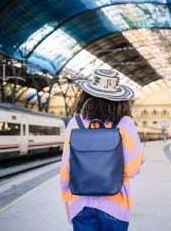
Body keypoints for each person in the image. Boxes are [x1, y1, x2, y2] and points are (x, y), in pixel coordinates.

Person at [60, 69, 145, 231]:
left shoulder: (74, 123)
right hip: (114, 204)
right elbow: (133, 169)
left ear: (87, 96)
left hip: (80, 205)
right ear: (119, 99)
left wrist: (69, 203)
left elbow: (66, 168)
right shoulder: (125, 123)